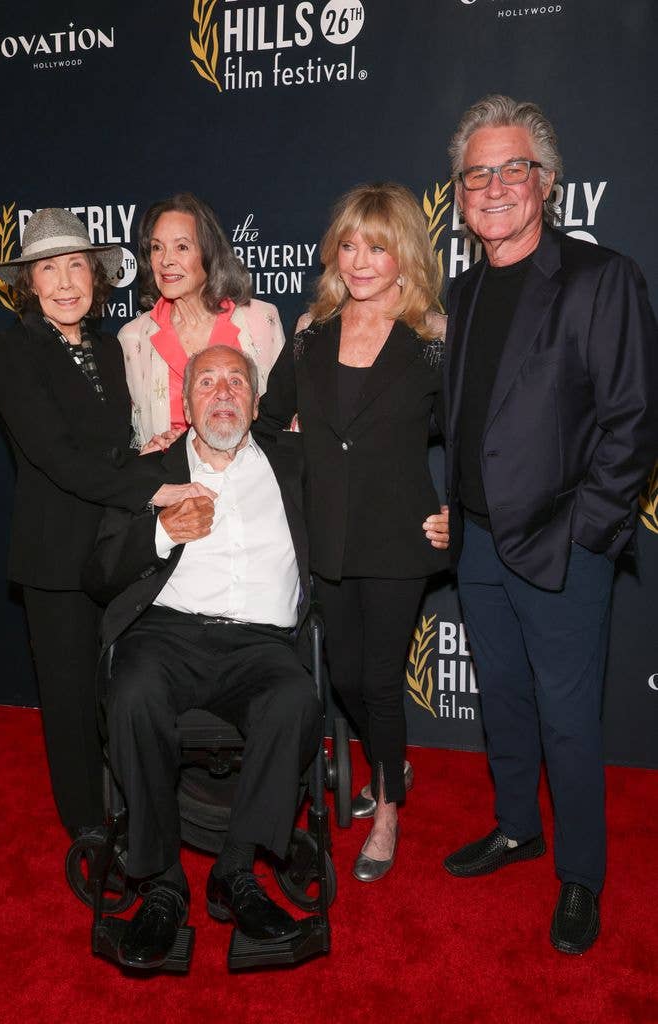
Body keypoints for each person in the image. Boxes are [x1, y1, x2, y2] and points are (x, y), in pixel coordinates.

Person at [442, 95, 658, 954]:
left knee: (570, 717)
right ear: (458, 195)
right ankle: (515, 826)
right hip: (480, 542)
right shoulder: (459, 293)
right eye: (477, 174)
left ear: (548, 182)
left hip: (563, 545)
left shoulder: (600, 279)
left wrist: (589, 531)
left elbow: (635, 418)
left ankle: (580, 874)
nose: (494, 186)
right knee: (504, 699)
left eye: (512, 169)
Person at [82, 345, 322, 968]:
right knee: (132, 691)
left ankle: (235, 871)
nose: (222, 393)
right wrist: (163, 532)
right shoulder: (148, 471)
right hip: (168, 638)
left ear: (255, 399)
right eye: (207, 382)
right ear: (185, 404)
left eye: (235, 381)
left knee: (296, 698)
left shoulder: (293, 462)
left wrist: (432, 520)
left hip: (262, 644)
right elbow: (99, 571)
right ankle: (162, 883)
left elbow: (367, 495)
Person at [257, 183, 450, 882]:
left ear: (405, 256)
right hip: (331, 534)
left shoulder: (431, 340)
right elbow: (267, 422)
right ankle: (391, 760)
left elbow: (478, 435)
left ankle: (389, 808)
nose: (362, 260)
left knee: (378, 679)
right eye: (350, 244)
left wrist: (459, 509)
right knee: (343, 673)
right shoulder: (311, 334)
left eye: (378, 246)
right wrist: (301, 459)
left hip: (401, 534)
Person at [0, 208, 191, 837]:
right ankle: (89, 835)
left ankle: (132, 811)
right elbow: (60, 459)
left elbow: (115, 450)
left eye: (77, 264)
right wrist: (158, 490)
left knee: (120, 694)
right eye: (49, 268)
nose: (66, 281)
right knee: (71, 706)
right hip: (54, 560)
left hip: (115, 549)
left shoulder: (106, 346)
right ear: (29, 282)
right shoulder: (10, 350)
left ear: (96, 276)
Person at [118, 192, 285, 450]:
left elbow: (281, 425)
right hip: (173, 484)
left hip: (249, 485)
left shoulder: (261, 321)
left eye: (182, 247)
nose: (165, 261)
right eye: (156, 247)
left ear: (209, 253)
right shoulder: (133, 338)